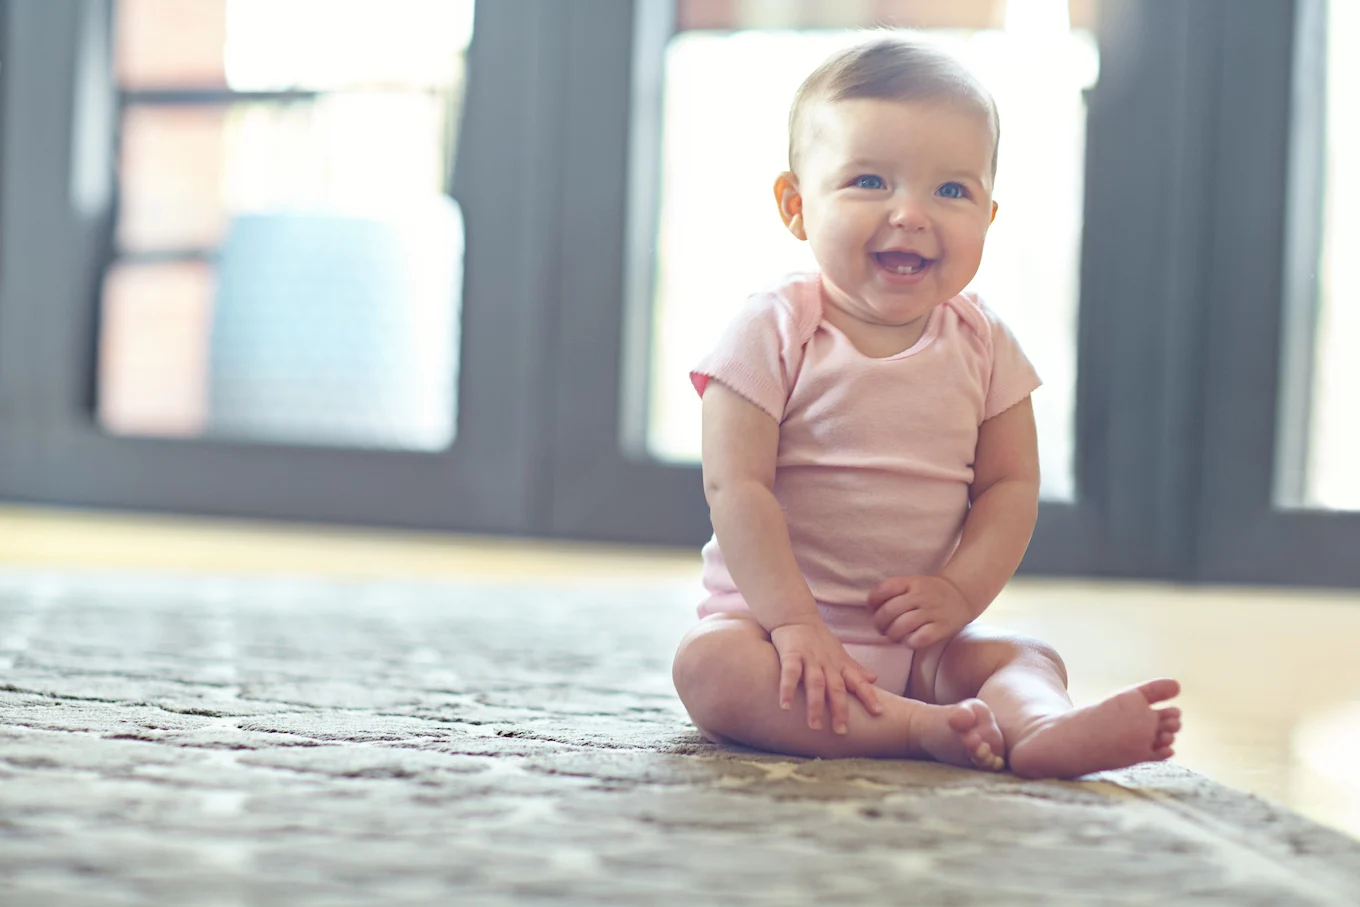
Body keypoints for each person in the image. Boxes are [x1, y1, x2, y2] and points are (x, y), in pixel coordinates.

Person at [671, 35, 1181, 779]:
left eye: (951, 191)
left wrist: (957, 591)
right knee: (710, 669)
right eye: (870, 180)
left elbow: (1009, 487)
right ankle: (918, 731)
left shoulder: (983, 342)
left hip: (918, 642)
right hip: (777, 631)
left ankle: (1039, 726)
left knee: (1025, 655)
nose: (911, 214)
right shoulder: (773, 328)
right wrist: (792, 623)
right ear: (796, 205)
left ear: (989, 216)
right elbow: (735, 487)